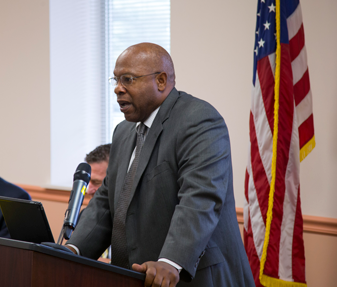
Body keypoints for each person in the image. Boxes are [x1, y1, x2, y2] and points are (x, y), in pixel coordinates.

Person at [66, 43, 255, 287]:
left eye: (128, 79)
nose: (117, 89)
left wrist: (171, 261)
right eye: (116, 79)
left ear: (162, 81)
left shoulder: (199, 120)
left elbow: (200, 198)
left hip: (195, 278)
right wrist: (73, 250)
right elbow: (106, 202)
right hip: (134, 277)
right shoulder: (123, 132)